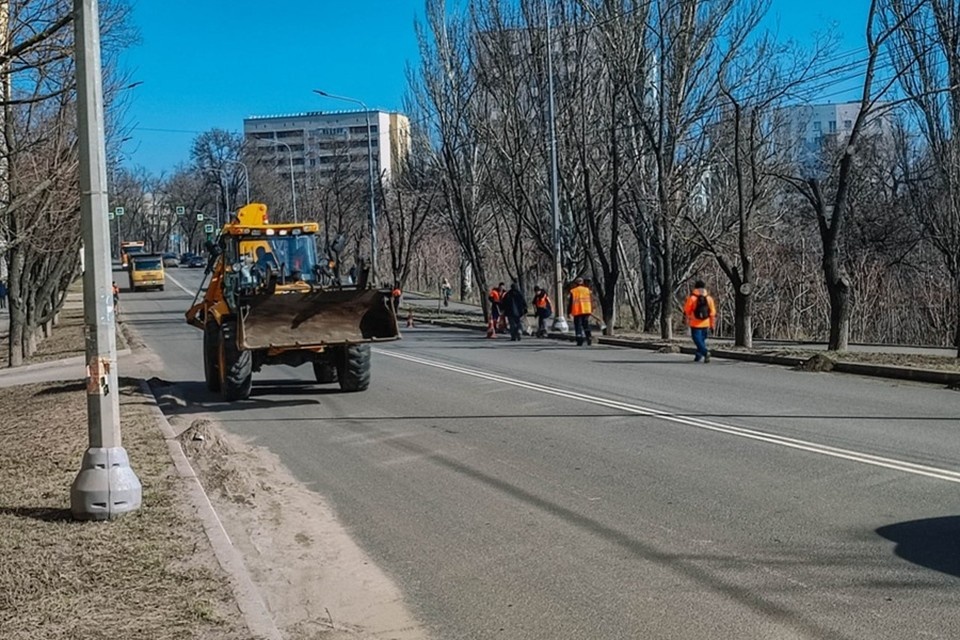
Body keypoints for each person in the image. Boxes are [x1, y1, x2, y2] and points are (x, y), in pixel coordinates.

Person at [683, 279, 717, 363]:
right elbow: (712, 313)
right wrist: (712, 325)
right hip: (706, 322)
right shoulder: (709, 298)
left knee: (697, 339)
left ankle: (705, 353)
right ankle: (698, 356)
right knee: (701, 340)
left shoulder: (692, 298)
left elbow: (687, 310)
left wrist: (686, 319)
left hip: (695, 323)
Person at [567, 277, 593, 346]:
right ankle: (589, 337)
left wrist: (568, 312)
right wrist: (591, 309)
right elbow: (591, 300)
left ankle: (579, 339)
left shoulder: (573, 291)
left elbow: (571, 302)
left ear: (576, 283)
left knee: (578, 326)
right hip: (586, 310)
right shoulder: (587, 290)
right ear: (583, 283)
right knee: (586, 324)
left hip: (577, 310)